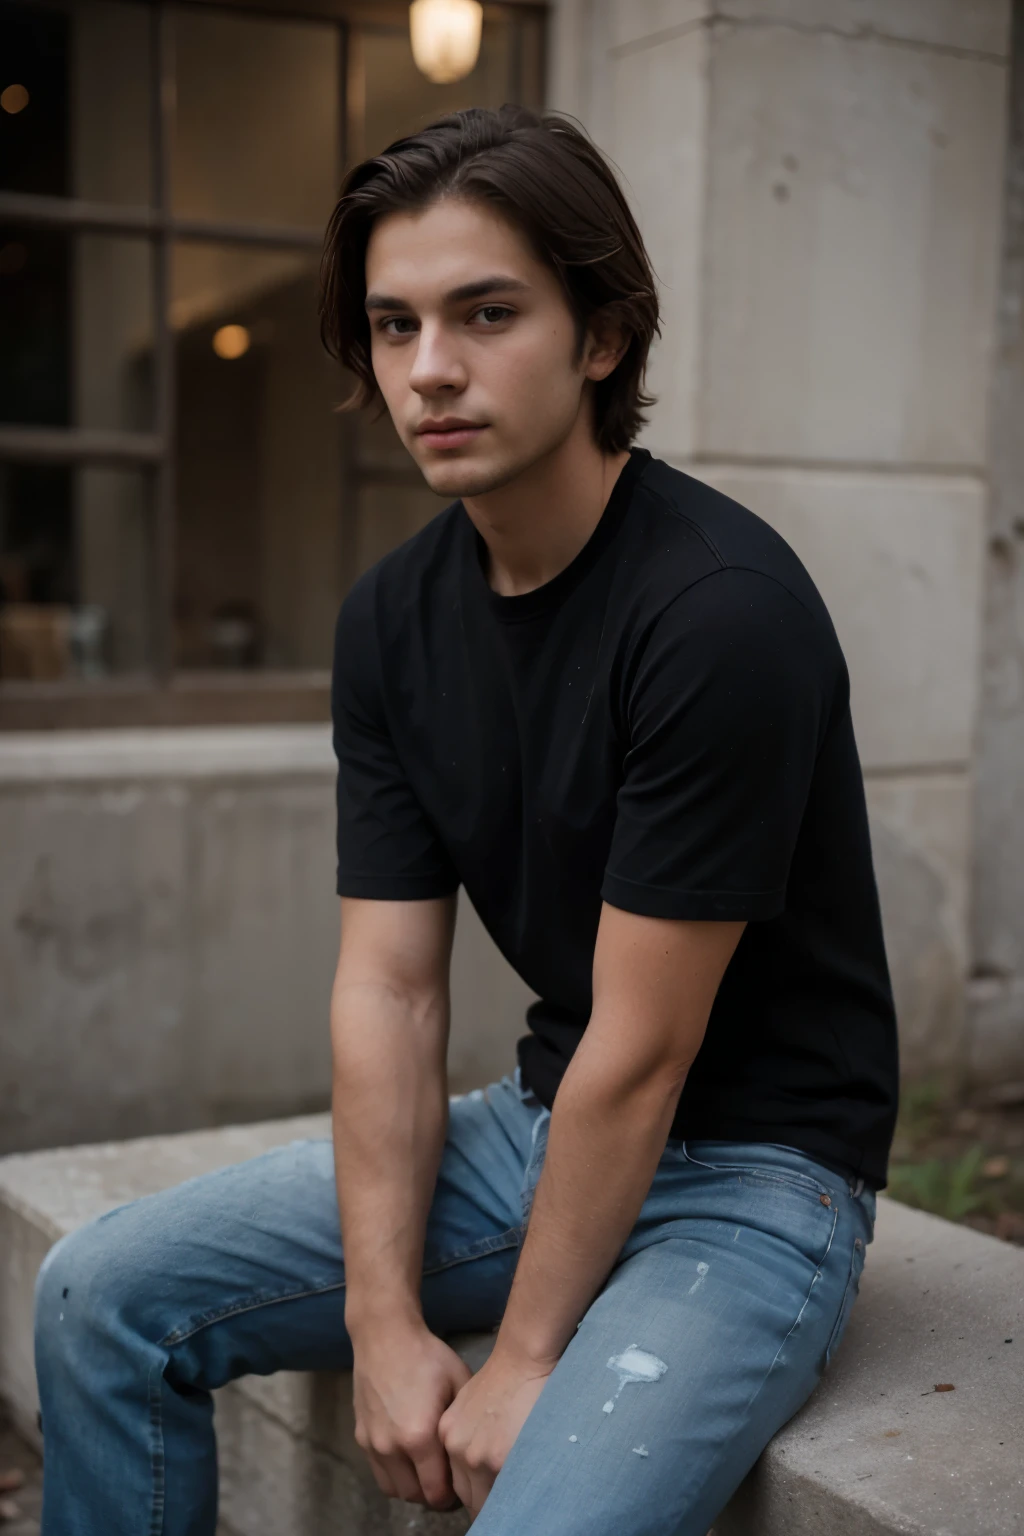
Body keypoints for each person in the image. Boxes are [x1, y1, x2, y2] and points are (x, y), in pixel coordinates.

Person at [34, 106, 897, 1536]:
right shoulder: (391, 620)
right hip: (544, 1129)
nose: (428, 370)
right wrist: (382, 1323)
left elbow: (648, 1044)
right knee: (102, 1297)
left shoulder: (720, 615)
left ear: (601, 336)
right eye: (392, 326)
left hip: (758, 1184)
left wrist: (528, 1356)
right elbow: (389, 986)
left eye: (486, 313)